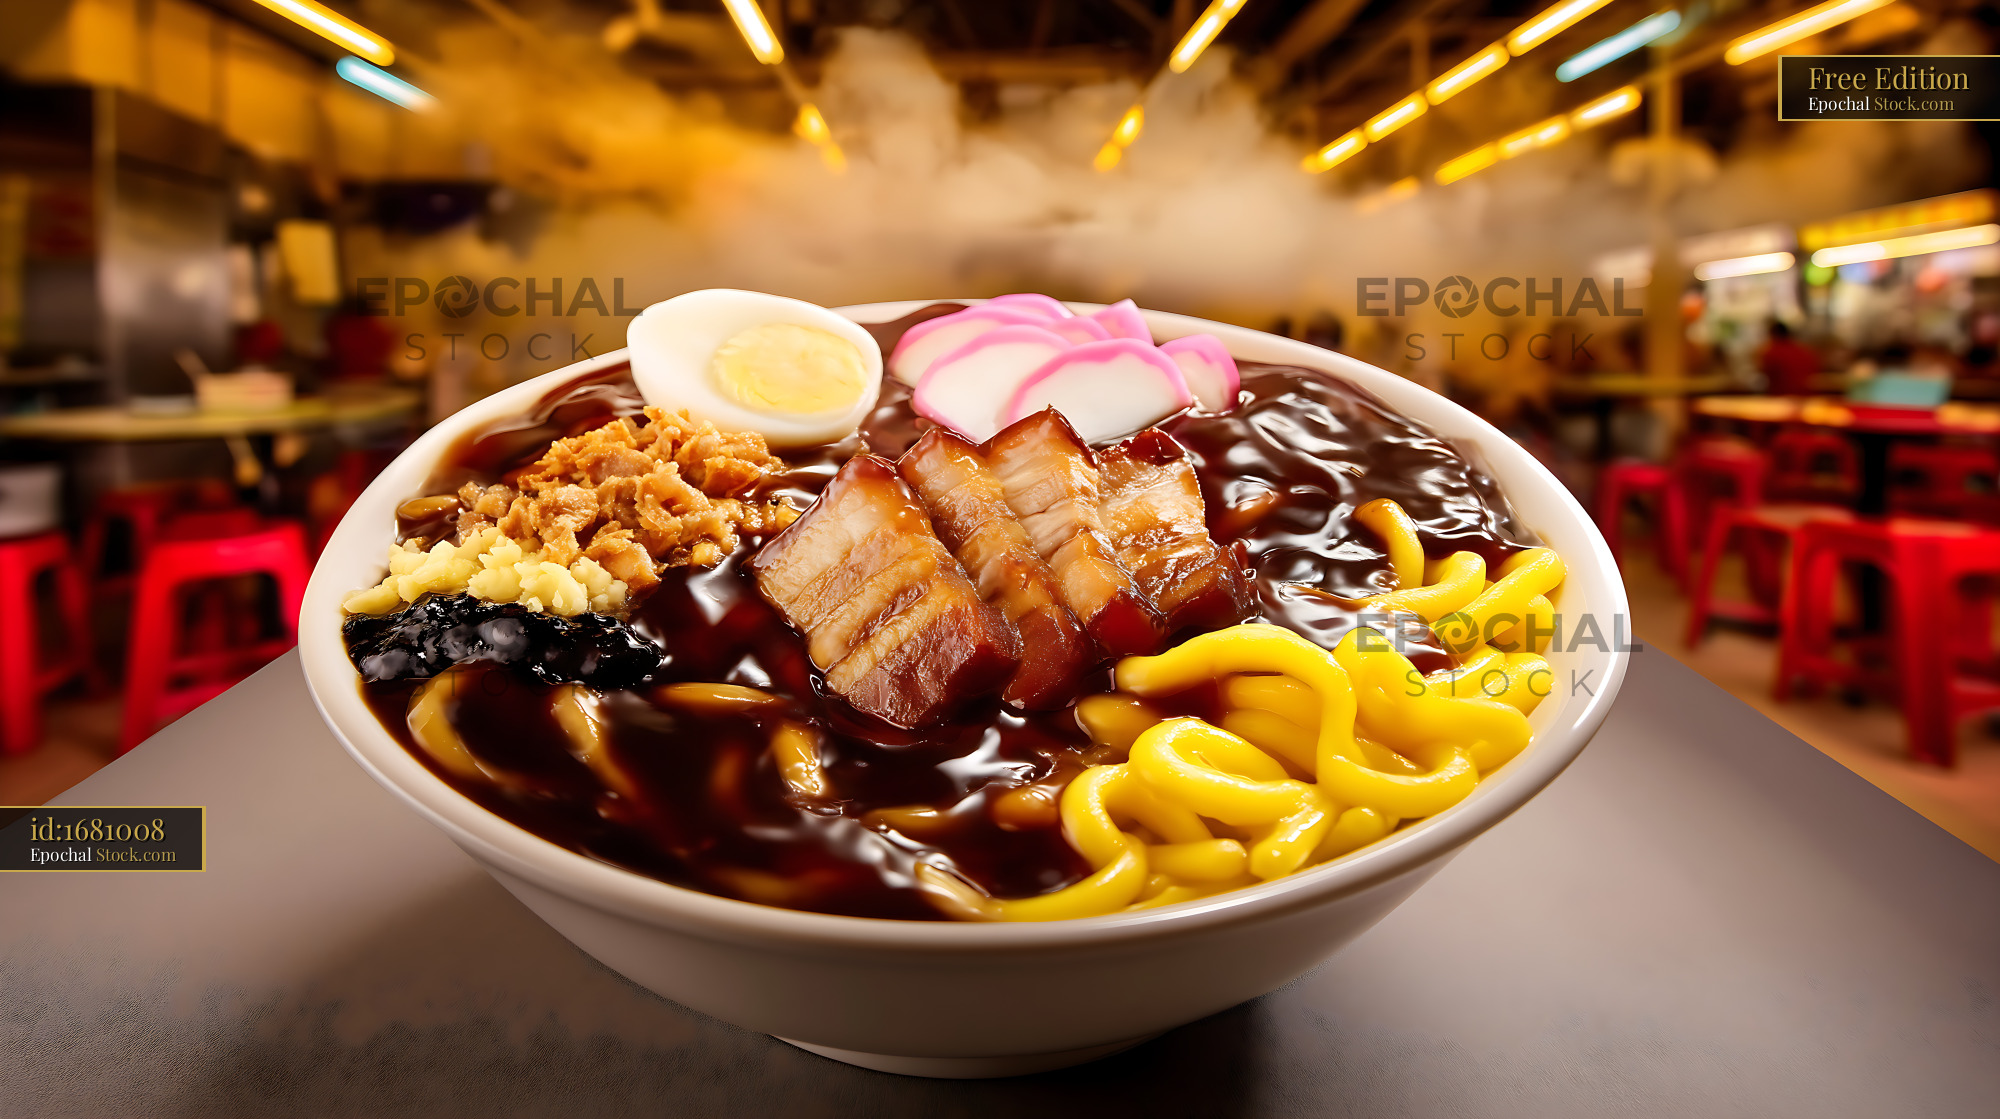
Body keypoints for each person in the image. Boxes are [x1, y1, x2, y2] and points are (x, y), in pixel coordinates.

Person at [1758, 321, 1820, 396]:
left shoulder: (1773, 352)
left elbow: (1765, 373)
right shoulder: (1804, 351)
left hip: (1781, 396)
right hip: (1805, 396)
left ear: (1773, 335)